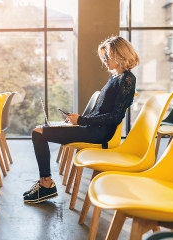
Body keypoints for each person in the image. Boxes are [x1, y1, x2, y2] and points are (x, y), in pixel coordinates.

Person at [23, 36, 140, 204]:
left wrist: (82, 121)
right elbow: (100, 111)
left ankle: (46, 185)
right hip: (92, 128)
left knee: (39, 132)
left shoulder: (127, 79)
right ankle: (45, 184)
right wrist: (76, 119)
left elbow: (116, 117)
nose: (105, 61)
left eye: (107, 56)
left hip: (100, 133)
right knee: (39, 130)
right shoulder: (115, 77)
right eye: (104, 57)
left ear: (120, 54)